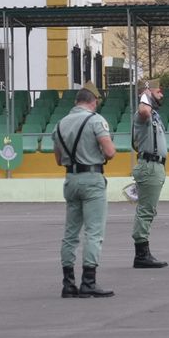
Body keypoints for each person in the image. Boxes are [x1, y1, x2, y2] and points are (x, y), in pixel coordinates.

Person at [55, 84, 115, 298]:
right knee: (93, 231)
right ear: (93, 101)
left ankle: (68, 283)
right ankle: (88, 281)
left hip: (70, 179)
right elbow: (110, 152)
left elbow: (57, 158)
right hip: (92, 178)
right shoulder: (96, 120)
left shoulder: (60, 124)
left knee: (70, 234)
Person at [129, 74, 169, 269]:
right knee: (146, 210)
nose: (161, 94)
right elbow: (144, 111)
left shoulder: (154, 115)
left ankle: (143, 251)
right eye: (157, 91)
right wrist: (145, 95)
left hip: (154, 166)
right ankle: (141, 254)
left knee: (148, 209)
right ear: (147, 93)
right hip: (149, 166)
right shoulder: (143, 113)